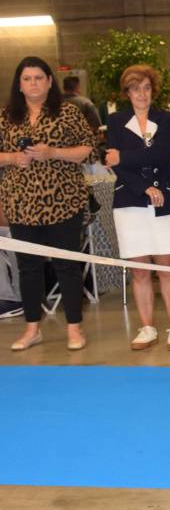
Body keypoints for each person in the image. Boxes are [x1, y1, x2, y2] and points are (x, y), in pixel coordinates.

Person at [0, 56, 94, 351]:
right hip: (20, 204)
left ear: (50, 81)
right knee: (28, 268)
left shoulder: (68, 112)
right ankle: (32, 329)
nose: (33, 84)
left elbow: (88, 149)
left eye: (39, 78)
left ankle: (74, 328)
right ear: (19, 84)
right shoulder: (6, 116)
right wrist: (13, 158)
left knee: (67, 265)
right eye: (27, 79)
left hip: (64, 202)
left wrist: (53, 152)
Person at [105, 64, 170, 352]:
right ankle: (147, 327)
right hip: (129, 201)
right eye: (135, 89)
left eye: (147, 88)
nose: (142, 94)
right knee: (140, 271)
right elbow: (113, 163)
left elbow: (161, 154)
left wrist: (123, 156)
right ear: (126, 92)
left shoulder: (166, 119)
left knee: (167, 268)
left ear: (154, 90)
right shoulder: (115, 121)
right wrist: (144, 187)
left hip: (166, 201)